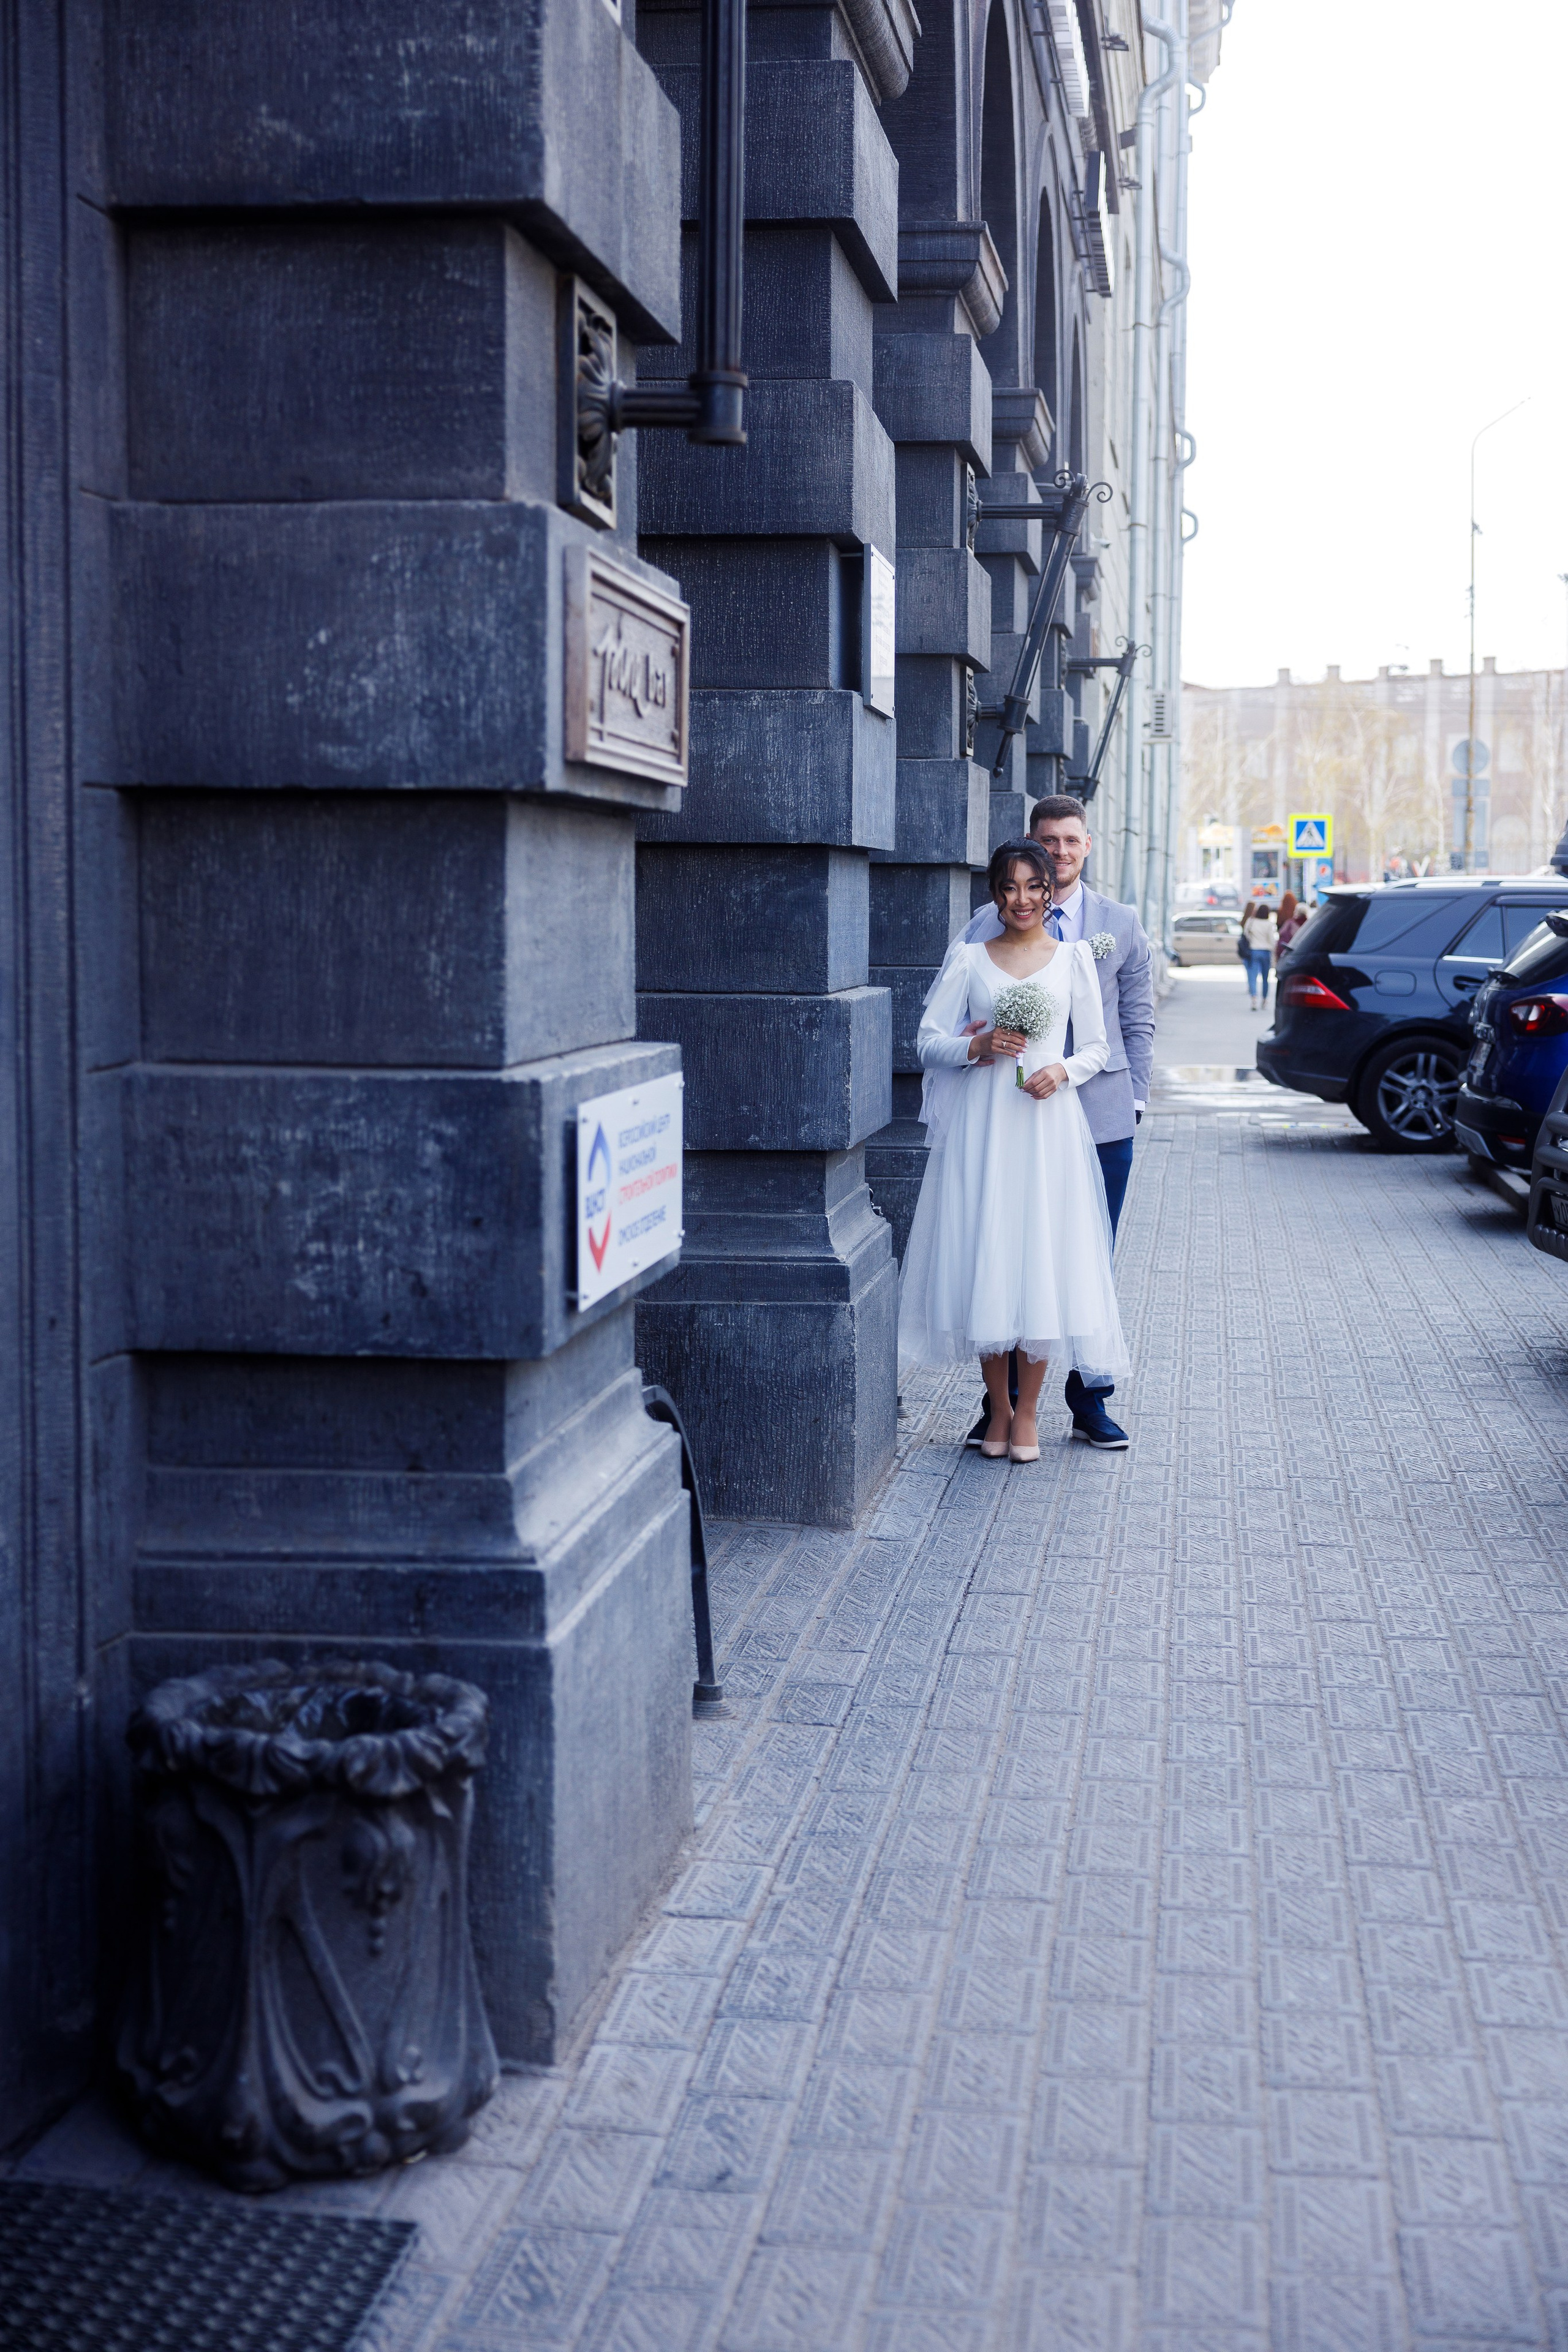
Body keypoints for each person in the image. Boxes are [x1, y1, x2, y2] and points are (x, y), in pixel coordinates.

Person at [933, 793, 1153, 1451]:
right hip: (1003, 1119)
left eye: (1069, 842)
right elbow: (958, 1013)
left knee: (1079, 1262)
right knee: (1001, 1253)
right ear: (1028, 848)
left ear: (1086, 846)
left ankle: (1088, 1404)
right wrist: (977, 1043)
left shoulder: (1120, 923)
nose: (1058, 853)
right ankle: (996, 1407)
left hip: (1098, 1116)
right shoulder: (983, 926)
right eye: (1046, 842)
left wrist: (1134, 1100)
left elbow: (1134, 1022)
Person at [1242, 898, 1276, 1008]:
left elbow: (1246, 935)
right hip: (1266, 952)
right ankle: (1265, 999)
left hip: (1254, 950)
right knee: (1266, 978)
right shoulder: (1269, 924)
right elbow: (1272, 940)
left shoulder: (1251, 922)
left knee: (1253, 976)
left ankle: (1254, 998)